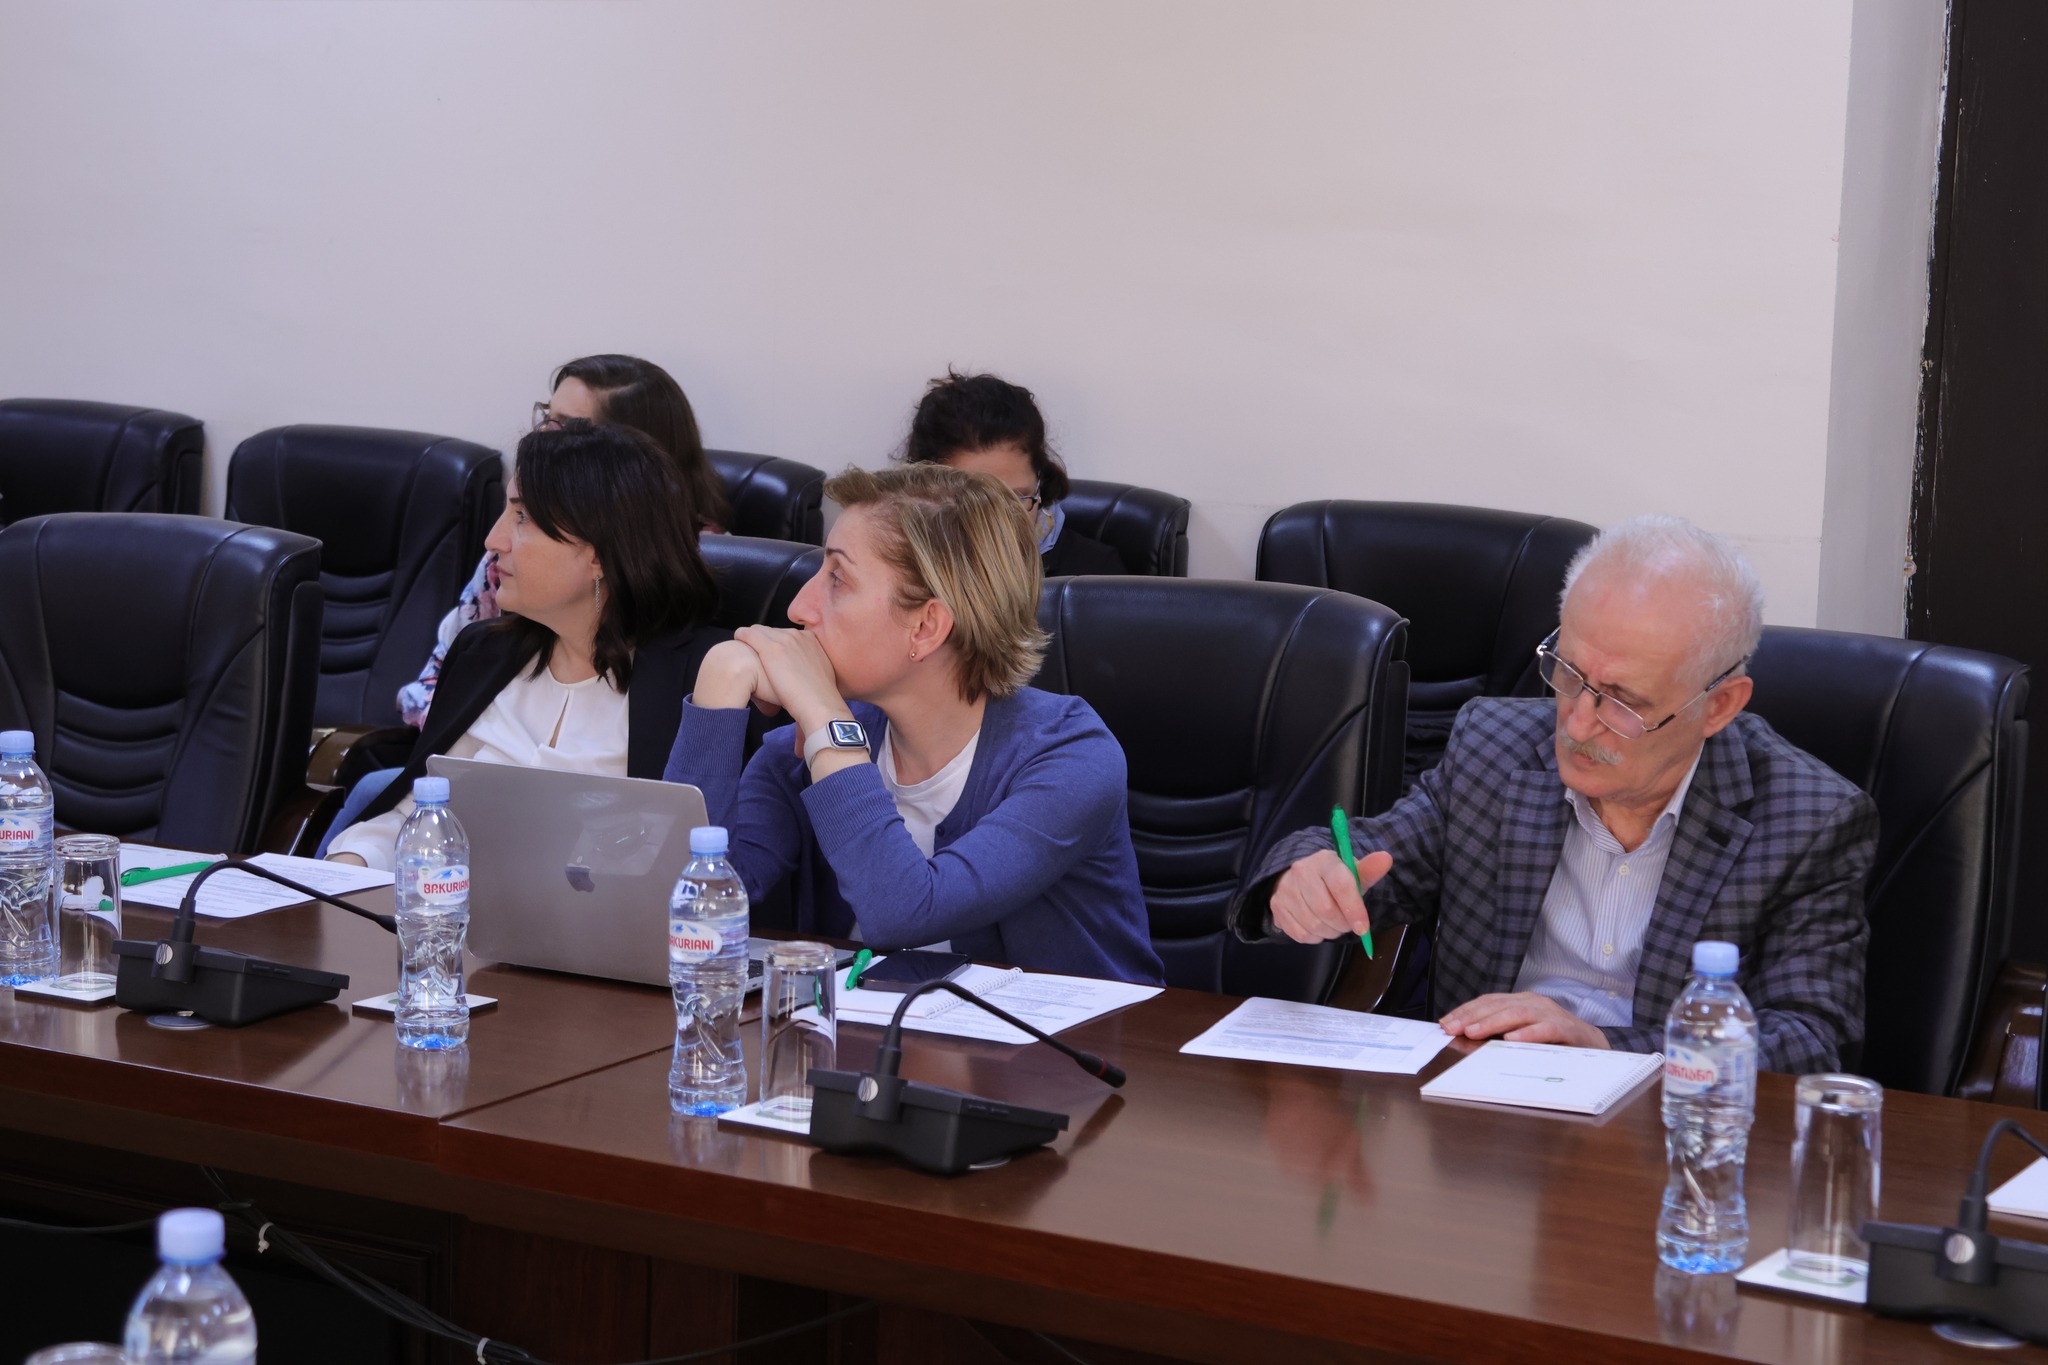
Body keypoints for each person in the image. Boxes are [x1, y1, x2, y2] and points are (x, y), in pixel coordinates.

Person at [1237, 515, 1877, 1074]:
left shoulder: (1808, 819)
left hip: (1664, 1133)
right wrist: (1304, 879)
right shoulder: (1494, 748)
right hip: (1480, 1114)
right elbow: (1370, 857)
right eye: (1568, 672)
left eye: (1623, 700)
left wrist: (1603, 1045)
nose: (1577, 724)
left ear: (1719, 706)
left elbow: (1809, 1041)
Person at [664, 463, 1163, 985]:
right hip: (868, 1032)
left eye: (837, 579)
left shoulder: (1072, 757)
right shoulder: (794, 756)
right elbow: (687, 915)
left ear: (925, 627)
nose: (798, 607)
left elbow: (904, 911)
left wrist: (824, 714)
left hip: (1080, 1037)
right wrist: (719, 687)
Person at [327, 419, 723, 870]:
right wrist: (352, 862)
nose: (493, 540)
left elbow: (702, 865)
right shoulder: (482, 653)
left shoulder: (698, 681)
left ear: (599, 553)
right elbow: (415, 814)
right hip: (452, 907)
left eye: (522, 517)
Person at [395, 353, 729, 727]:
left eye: (568, 426)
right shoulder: (501, 574)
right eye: (547, 417)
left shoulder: (704, 570)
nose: (544, 437)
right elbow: (440, 676)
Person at [901, 370, 1125, 578]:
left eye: (1016, 498)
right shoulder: (899, 570)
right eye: (975, 501)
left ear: (1039, 483)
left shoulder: (1097, 575)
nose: (1000, 523)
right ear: (925, 495)